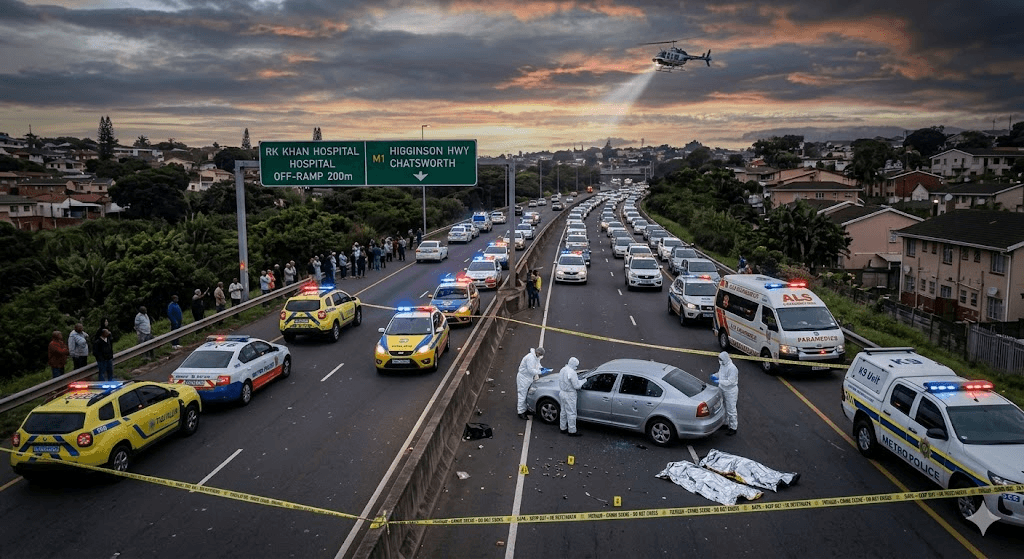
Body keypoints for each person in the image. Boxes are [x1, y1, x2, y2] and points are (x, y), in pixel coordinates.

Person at [516, 347, 545, 419]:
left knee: (527, 394)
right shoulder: (530, 358)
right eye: (540, 354)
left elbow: (537, 365)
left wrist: (542, 368)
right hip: (523, 378)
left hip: (528, 378)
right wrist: (540, 372)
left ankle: (525, 409)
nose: (540, 355)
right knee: (522, 395)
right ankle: (521, 412)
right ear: (537, 352)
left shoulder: (535, 357)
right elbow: (531, 370)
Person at [558, 357, 583, 436]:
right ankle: (572, 431)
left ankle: (563, 428)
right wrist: (583, 382)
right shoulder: (572, 372)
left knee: (563, 411)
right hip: (570, 394)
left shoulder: (563, 369)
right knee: (571, 413)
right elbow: (576, 386)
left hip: (562, 392)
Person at [717, 351, 739, 435]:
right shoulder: (723, 365)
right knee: (724, 407)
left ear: (725, 359)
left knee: (731, 409)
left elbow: (730, 381)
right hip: (722, 388)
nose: (720, 361)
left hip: (730, 391)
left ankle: (733, 427)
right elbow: (720, 373)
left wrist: (719, 381)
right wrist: (715, 376)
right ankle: (726, 423)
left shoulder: (732, 368)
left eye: (721, 359)